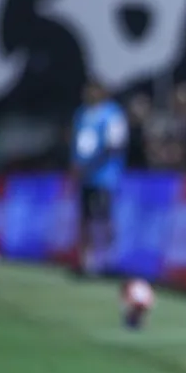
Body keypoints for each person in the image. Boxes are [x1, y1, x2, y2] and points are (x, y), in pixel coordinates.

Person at [69, 80, 128, 278]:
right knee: (85, 219)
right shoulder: (82, 114)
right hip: (85, 177)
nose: (90, 93)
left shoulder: (113, 114)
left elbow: (115, 144)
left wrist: (91, 164)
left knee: (103, 219)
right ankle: (87, 262)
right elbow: (77, 144)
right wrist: (77, 166)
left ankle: (107, 261)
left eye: (94, 89)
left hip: (105, 176)